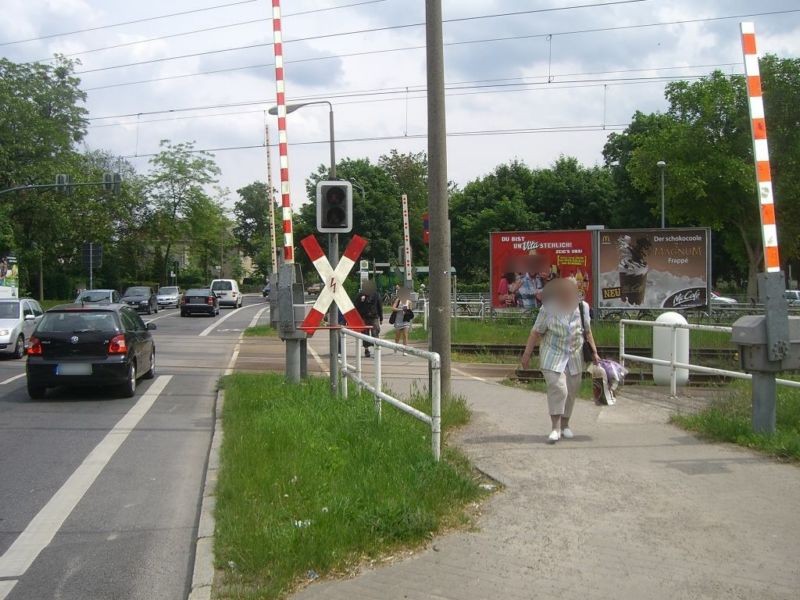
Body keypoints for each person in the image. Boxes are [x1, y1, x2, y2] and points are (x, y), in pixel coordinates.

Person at [520, 277, 600, 444]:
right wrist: (527, 355)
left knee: (571, 390)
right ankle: (555, 428)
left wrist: (595, 353)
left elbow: (587, 332)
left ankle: (565, 425)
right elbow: (535, 332)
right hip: (552, 353)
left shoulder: (582, 307)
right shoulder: (548, 308)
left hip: (574, 355)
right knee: (559, 388)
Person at [354, 281, 383, 358]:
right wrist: (361, 300)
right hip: (364, 317)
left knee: (375, 333)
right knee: (365, 334)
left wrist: (381, 318)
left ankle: (376, 350)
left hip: (374, 317)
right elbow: (356, 306)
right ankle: (366, 349)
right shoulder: (360, 295)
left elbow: (379, 306)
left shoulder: (376, 295)